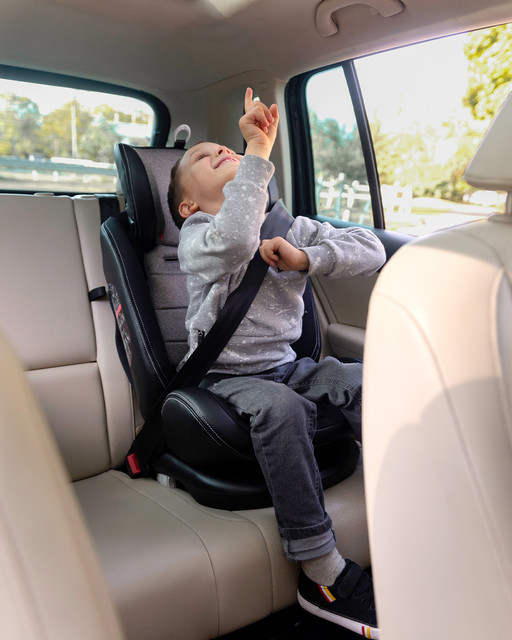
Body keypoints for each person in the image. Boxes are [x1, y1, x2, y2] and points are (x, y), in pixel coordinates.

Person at [167, 87, 386, 638]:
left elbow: (372, 249)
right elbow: (236, 240)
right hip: (224, 379)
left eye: (227, 147)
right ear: (187, 205)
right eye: (204, 156)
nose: (222, 150)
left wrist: (307, 256)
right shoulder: (197, 238)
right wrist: (257, 154)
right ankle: (320, 569)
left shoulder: (291, 226)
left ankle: (409, 493)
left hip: (288, 366)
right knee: (282, 408)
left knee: (361, 378)